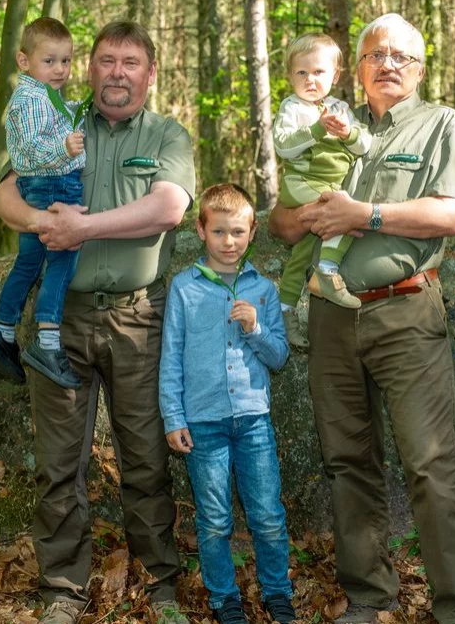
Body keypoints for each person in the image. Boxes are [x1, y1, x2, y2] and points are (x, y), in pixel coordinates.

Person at [268, 13, 455, 624]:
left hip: (405, 311)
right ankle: (368, 598)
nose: (389, 65)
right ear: (356, 68)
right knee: (347, 461)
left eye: (402, 57)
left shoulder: (444, 125)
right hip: (331, 315)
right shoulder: (320, 121)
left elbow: (450, 216)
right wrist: (303, 218)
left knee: (429, 463)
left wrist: (360, 215)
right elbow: (282, 223)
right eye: (376, 56)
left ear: (420, 69)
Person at [0, 20, 195, 624]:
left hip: (139, 319)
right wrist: (41, 223)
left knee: (147, 458)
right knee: (59, 465)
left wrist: (84, 227)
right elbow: (4, 197)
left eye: (131, 62)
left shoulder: (166, 133)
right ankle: (62, 590)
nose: (117, 72)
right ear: (89, 68)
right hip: (62, 321)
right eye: (106, 60)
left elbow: (170, 208)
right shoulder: (53, 117)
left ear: (149, 73)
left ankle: (160, 585)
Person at [158, 183, 295, 624]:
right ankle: (224, 598)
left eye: (237, 232)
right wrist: (173, 417)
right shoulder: (184, 288)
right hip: (204, 423)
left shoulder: (264, 291)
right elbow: (171, 356)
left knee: (268, 514)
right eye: (219, 232)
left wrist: (256, 328)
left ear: (252, 232)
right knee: (214, 519)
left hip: (253, 420)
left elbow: (279, 357)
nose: (229, 242)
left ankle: (278, 592)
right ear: (200, 230)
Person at [0, 17, 88, 389]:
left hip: (40, 186)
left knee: (28, 262)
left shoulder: (45, 96)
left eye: (66, 61)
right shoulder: (29, 100)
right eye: (50, 61)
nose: (60, 70)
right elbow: (28, 150)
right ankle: (47, 343)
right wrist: (64, 148)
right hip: (53, 186)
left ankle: (4, 335)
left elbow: (58, 120)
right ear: (24, 62)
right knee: (62, 258)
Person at [272, 33, 372, 348]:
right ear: (290, 76)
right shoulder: (291, 107)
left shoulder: (340, 107)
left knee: (302, 254)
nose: (310, 80)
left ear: (335, 75)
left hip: (329, 185)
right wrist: (317, 129)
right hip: (302, 184)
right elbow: (283, 147)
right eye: (301, 73)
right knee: (340, 213)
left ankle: (285, 310)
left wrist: (347, 132)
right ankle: (328, 273)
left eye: (318, 72)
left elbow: (364, 145)